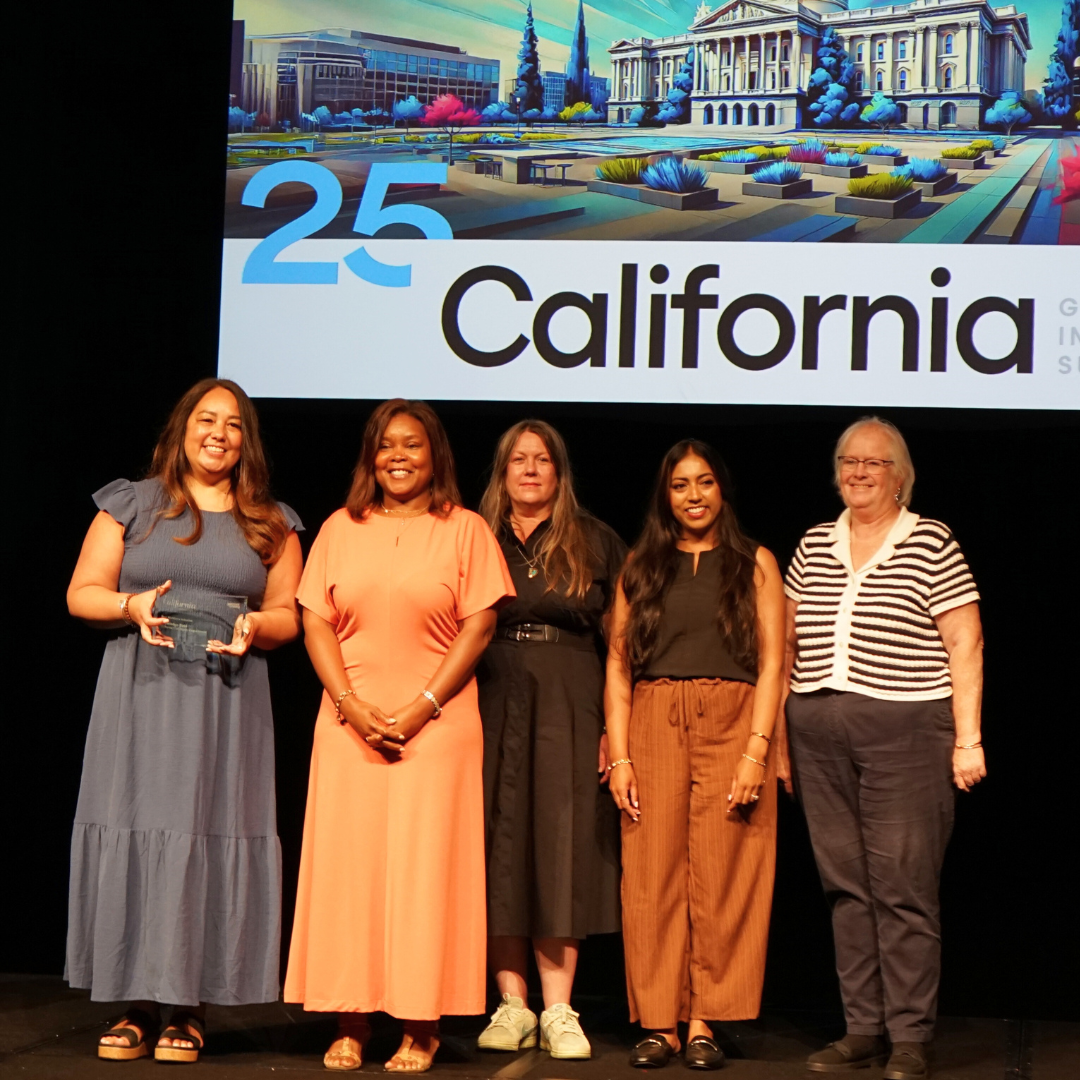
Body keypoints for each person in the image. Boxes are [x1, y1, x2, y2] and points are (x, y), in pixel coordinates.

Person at [66, 378, 304, 1064]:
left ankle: (188, 1006)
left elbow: (291, 616)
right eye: (207, 419)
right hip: (141, 691)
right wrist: (130, 608)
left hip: (226, 697)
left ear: (245, 442)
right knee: (140, 825)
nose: (219, 433)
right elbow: (81, 593)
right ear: (183, 427)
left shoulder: (271, 522)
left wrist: (256, 624)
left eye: (233, 424)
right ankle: (139, 1001)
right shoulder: (133, 504)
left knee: (207, 829)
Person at [284, 399, 514, 1074]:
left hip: (436, 727)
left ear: (435, 454)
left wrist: (422, 705)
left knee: (424, 874)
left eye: (412, 445)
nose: (398, 457)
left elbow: (479, 626)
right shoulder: (338, 527)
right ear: (370, 457)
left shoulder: (465, 528)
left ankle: (421, 1023)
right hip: (347, 724)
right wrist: (348, 702)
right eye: (386, 446)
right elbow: (314, 622)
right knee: (348, 871)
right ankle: (350, 1018)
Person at [782, 417, 985, 1080]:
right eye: (848, 461)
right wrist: (780, 741)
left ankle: (909, 1035)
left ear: (900, 474)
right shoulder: (815, 542)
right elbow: (783, 648)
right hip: (816, 728)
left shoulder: (930, 541)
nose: (858, 472)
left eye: (873, 462)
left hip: (906, 731)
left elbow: (965, 644)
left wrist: (969, 739)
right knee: (845, 885)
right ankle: (863, 1027)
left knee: (902, 885)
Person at [605, 440, 785, 1070]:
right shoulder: (641, 565)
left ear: (722, 489)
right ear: (666, 496)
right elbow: (618, 668)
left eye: (704, 482)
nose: (693, 496)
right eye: (680, 485)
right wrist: (620, 757)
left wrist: (756, 751)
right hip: (655, 717)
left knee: (724, 870)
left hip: (732, 719)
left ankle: (705, 1018)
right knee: (651, 872)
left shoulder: (754, 562)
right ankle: (661, 1022)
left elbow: (773, 666)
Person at [475, 421, 626, 1060]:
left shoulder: (596, 540)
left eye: (542, 460)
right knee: (500, 841)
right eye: (518, 460)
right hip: (490, 696)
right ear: (502, 470)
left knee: (562, 846)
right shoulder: (474, 535)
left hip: (572, 699)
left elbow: (621, 644)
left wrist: (615, 733)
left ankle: (560, 1008)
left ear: (560, 472)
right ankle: (512, 1003)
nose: (530, 470)